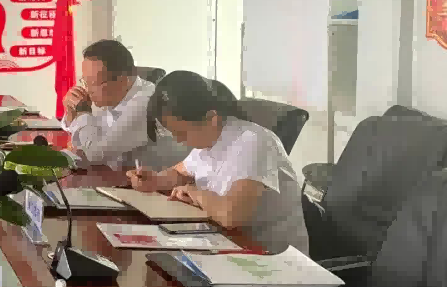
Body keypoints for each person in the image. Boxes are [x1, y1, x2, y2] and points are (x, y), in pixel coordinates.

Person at [127, 71, 309, 253]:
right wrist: (155, 180)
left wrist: (195, 192)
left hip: (271, 256)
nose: (179, 140)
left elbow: (230, 215)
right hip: (225, 244)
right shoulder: (208, 138)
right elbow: (180, 172)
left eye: (182, 133)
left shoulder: (254, 141)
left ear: (211, 118)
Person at [60, 40, 173, 170]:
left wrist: (83, 112)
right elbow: (85, 140)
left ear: (123, 79)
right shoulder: (113, 96)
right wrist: (72, 114)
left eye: (93, 83)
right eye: (85, 82)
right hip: (117, 174)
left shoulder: (144, 103)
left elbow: (95, 154)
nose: (87, 90)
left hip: (147, 180)